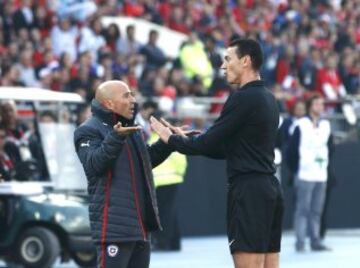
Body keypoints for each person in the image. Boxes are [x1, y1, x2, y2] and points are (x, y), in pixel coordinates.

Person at [151, 39, 283, 268]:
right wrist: (186, 139)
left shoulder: (242, 98)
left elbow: (206, 144)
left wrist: (170, 140)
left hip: (248, 192)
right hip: (270, 190)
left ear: (245, 61)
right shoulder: (269, 98)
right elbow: (226, 148)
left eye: (228, 58)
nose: (222, 66)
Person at [73, 80, 174, 268]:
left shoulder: (131, 129)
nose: (133, 101)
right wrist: (116, 137)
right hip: (114, 228)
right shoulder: (87, 130)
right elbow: (95, 165)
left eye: (132, 95)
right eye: (127, 96)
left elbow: (145, 162)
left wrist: (168, 142)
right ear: (109, 103)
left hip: (140, 226)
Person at [287, 94, 332, 252]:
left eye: (322, 104)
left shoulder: (326, 125)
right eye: (317, 104)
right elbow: (291, 150)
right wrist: (297, 170)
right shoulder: (301, 124)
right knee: (302, 210)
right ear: (310, 106)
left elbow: (330, 147)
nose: (321, 107)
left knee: (316, 211)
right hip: (305, 174)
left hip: (321, 174)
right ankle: (300, 243)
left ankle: (315, 241)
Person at [150, 129, 187, 251]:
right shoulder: (168, 138)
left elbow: (179, 160)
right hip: (170, 180)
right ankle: (174, 244)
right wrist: (178, 175)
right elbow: (180, 159)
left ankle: (162, 243)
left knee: (163, 214)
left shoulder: (153, 139)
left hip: (162, 182)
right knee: (170, 213)